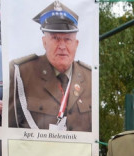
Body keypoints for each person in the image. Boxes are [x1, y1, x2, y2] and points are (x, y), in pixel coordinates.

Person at [8, 1, 92, 133]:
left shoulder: (90, 77)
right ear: (44, 42)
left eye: (67, 39)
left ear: (76, 44)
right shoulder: (21, 73)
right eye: (56, 38)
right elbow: (11, 128)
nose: (62, 46)